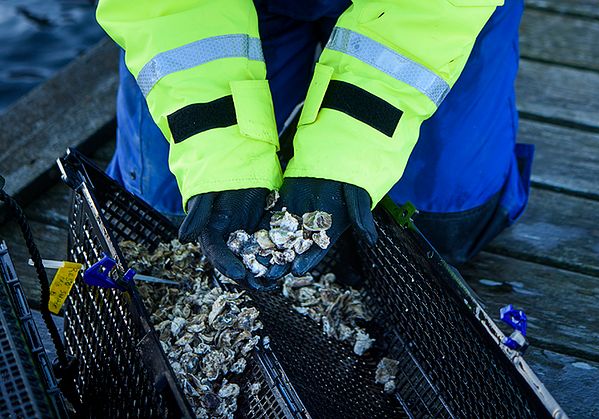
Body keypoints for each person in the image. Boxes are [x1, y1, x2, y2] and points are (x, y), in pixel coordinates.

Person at [96, 0, 532, 290]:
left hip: (432, 11)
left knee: (446, 220)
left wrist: (348, 151)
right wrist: (221, 157)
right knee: (168, 216)